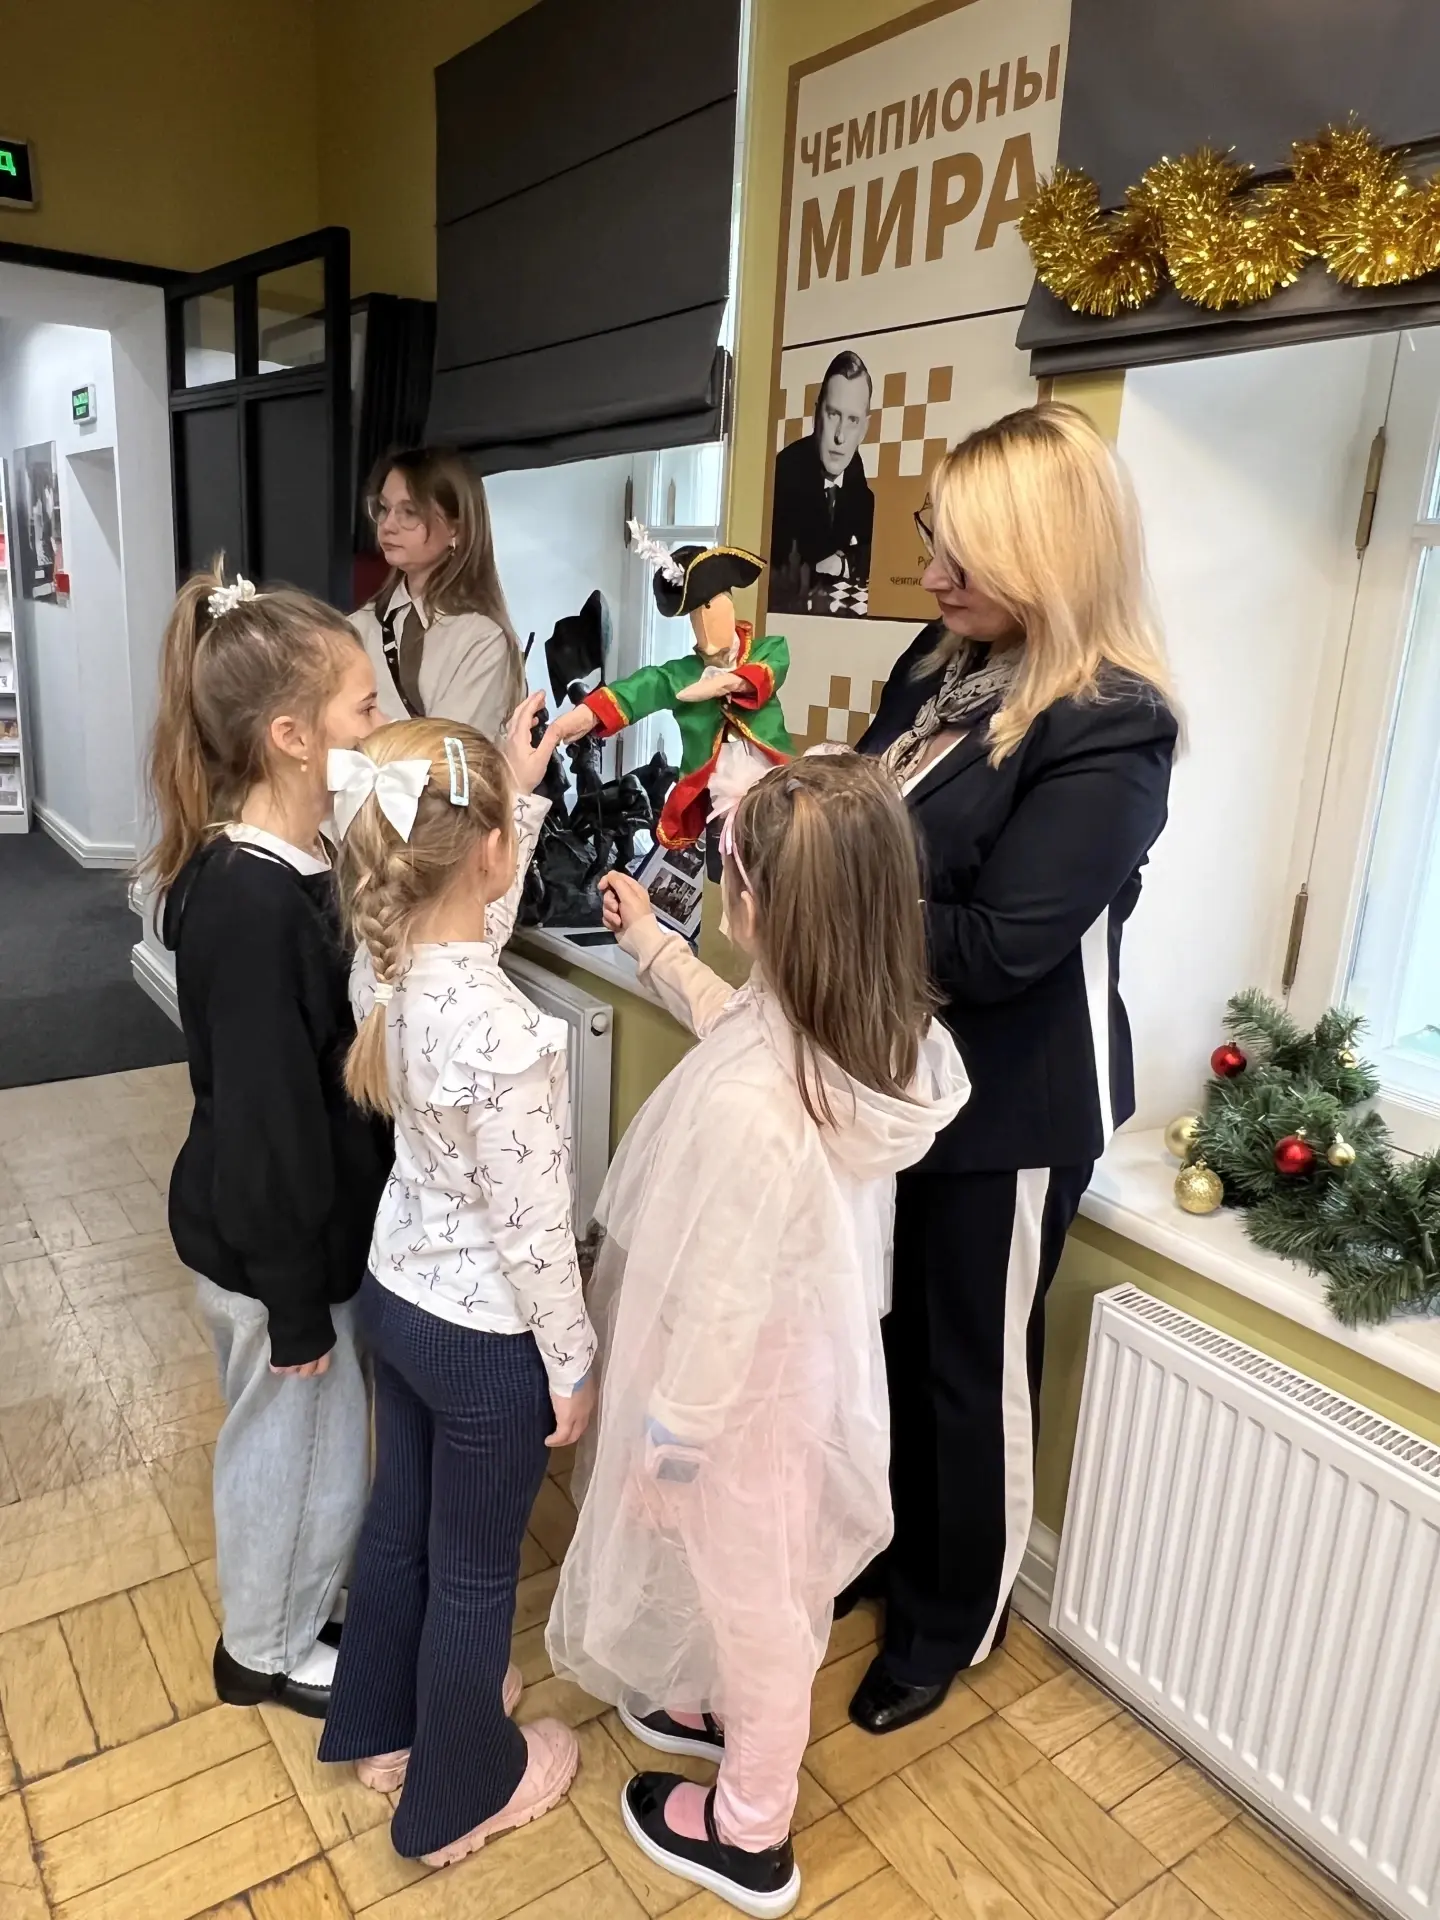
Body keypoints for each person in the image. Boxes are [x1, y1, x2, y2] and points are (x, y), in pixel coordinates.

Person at [547, 754, 969, 1918]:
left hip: (736, 1398)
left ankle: (749, 1832)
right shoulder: (839, 1038)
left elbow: (725, 1299)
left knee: (764, 1608)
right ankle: (721, 1707)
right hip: (793, 1372)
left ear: (759, 906)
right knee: (755, 1581)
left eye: (728, 871)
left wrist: (670, 1445)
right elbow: (725, 1015)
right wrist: (651, 944)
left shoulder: (756, 1105)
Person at [848, 401, 1178, 1734]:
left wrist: (824, 900)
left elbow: (999, 948)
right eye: (937, 538)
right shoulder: (941, 664)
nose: (932, 573)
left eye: (964, 552)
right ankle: (885, 1551)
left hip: (1011, 1111)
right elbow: (872, 815)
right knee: (883, 1337)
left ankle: (949, 1619)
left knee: (963, 1374)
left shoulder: (1112, 724)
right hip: (894, 1078)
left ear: (1049, 553)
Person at [316, 699, 597, 1867]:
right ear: (485, 853)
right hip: (487, 1343)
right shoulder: (510, 1035)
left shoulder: (382, 977)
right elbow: (537, 1240)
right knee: (478, 1574)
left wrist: (511, 800)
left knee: (400, 1528)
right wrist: (571, 1365)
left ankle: (383, 1730)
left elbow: (463, 920)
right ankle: (459, 1794)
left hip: (398, 1301)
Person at [146, 564, 392, 1718]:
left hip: (291, 1238)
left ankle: (295, 1603)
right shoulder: (248, 905)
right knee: (294, 1449)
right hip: (273, 1254)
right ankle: (266, 1648)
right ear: (293, 737)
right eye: (364, 707)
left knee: (318, 1450)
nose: (379, 722)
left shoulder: (295, 869)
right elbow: (265, 1124)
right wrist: (296, 1299)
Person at [353, 448, 525, 739]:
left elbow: (452, 753)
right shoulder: (356, 627)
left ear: (456, 528)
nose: (388, 525)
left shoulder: (481, 639)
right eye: (384, 508)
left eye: (410, 512)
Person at [768, 350, 875, 615]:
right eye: (833, 414)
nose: (840, 436)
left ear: (864, 429)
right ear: (817, 414)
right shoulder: (785, 471)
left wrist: (842, 563)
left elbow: (875, 546)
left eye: (852, 420)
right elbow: (784, 570)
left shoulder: (854, 467)